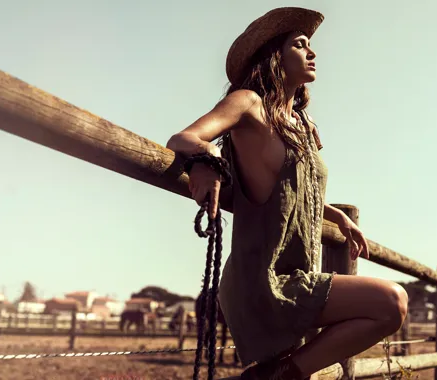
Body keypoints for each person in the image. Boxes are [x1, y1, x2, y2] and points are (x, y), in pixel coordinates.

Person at [166, 7, 409, 380]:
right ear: (274, 56)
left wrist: (338, 216)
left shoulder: (299, 123)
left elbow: (293, 189)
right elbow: (184, 137)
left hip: (295, 277)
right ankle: (281, 375)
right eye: (300, 45)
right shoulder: (248, 102)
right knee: (392, 301)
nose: (312, 53)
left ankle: (280, 374)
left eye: (311, 46)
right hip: (262, 281)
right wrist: (206, 161)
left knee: (388, 306)